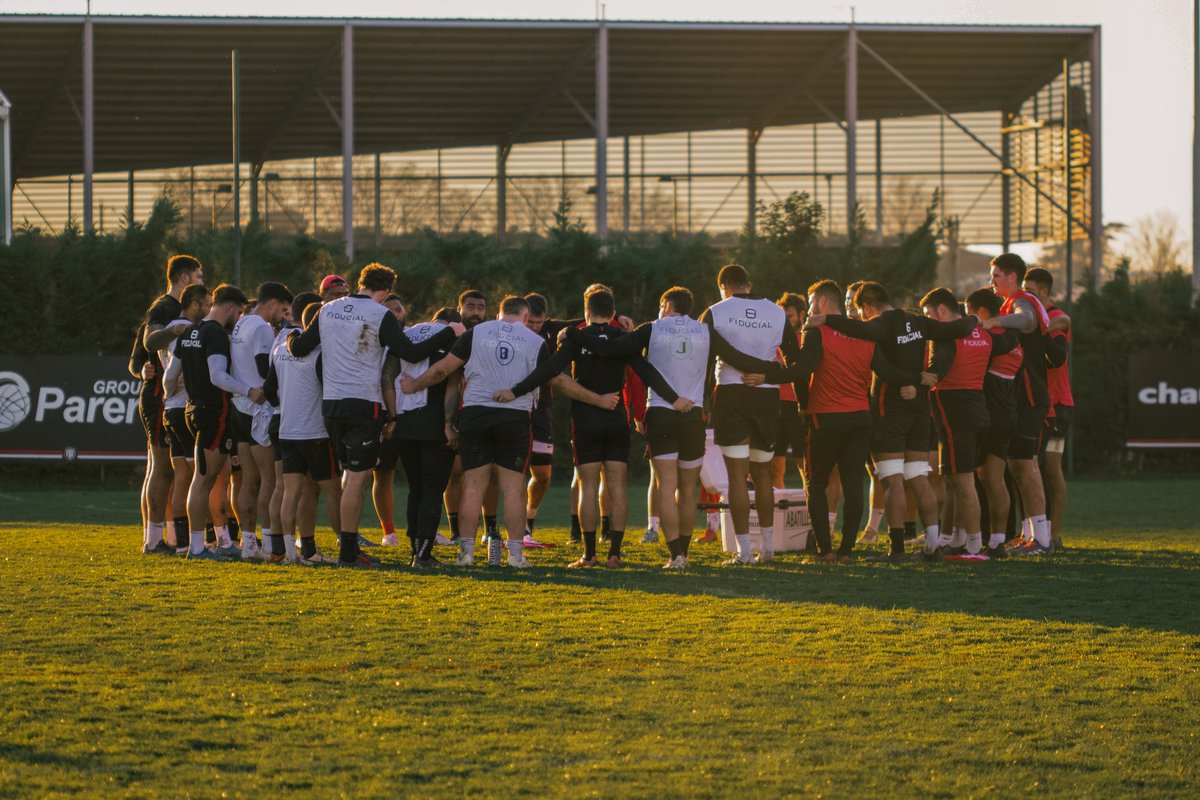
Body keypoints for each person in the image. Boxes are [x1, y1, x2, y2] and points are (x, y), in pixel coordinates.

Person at [404, 294, 619, 568]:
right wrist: (597, 399)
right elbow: (558, 380)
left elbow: (443, 370)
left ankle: (466, 554)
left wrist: (414, 385)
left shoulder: (476, 333)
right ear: (526, 318)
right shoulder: (534, 341)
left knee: (472, 486)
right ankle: (516, 555)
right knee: (514, 488)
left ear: (498, 314)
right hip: (514, 417)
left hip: (475, 414)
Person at [565, 286, 760, 569]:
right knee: (689, 489)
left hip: (661, 414)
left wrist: (571, 333)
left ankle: (675, 556)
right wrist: (768, 370)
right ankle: (685, 551)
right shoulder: (705, 331)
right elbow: (735, 357)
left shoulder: (652, 328)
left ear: (666, 305)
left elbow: (608, 348)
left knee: (666, 488)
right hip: (693, 414)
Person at [288, 263, 465, 568]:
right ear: (384, 291)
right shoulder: (379, 313)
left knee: (346, 477)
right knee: (357, 479)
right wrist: (449, 332)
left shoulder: (328, 309)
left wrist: (291, 338)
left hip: (331, 405)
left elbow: (302, 347)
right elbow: (409, 352)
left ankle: (344, 547)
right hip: (363, 405)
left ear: (360, 282)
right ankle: (349, 552)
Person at [807, 281, 976, 560]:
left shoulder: (881, 324)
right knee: (918, 478)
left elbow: (861, 331)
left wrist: (825, 318)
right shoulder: (919, 321)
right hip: (920, 411)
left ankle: (897, 548)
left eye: (860, 311)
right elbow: (956, 329)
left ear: (867, 307)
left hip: (889, 412)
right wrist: (975, 318)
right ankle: (933, 545)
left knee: (892, 481)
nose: (860, 317)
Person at [521, 286, 685, 568]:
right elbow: (646, 371)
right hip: (616, 414)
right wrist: (674, 397)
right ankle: (615, 555)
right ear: (612, 313)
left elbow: (548, 371)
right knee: (617, 487)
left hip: (586, 418)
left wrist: (515, 390)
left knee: (588, 486)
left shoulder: (575, 338)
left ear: (586, 312)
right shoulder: (623, 338)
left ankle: (588, 554)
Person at [769, 280, 919, 561]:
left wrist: (767, 375)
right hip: (860, 418)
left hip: (825, 418)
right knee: (853, 485)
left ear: (823, 303)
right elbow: (887, 372)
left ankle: (824, 550)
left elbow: (804, 368)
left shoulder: (818, 331)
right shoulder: (865, 334)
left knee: (815, 484)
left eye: (812, 302)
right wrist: (918, 379)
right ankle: (846, 550)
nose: (810, 308)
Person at [698, 264, 808, 566]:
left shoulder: (715, 311)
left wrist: (701, 401)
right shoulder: (775, 312)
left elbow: (705, 360)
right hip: (768, 395)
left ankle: (744, 551)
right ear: (749, 284)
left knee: (736, 475)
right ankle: (768, 547)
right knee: (763, 473)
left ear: (724, 286)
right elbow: (794, 361)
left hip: (732, 393)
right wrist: (776, 379)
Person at [165, 284, 262, 561]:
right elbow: (218, 376)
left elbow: (169, 377)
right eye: (239, 312)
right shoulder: (216, 334)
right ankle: (197, 548)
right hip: (213, 413)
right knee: (204, 480)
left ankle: (207, 543)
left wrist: (173, 395)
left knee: (205, 478)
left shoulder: (190, 332)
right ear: (230, 307)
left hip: (191, 409)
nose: (239, 319)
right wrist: (249, 390)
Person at [921, 287, 1018, 558]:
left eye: (929, 315)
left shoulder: (947, 336)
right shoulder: (983, 334)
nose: (929, 321)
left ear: (941, 310)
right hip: (979, 410)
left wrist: (921, 379)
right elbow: (1008, 342)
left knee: (963, 481)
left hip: (955, 411)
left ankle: (974, 546)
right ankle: (960, 538)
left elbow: (938, 367)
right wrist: (1007, 323)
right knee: (958, 479)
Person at [131, 254, 204, 555]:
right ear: (185, 278)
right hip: (161, 396)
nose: (202, 282)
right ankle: (154, 540)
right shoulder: (166, 307)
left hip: (163, 393)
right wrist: (170, 335)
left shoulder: (169, 308)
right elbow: (148, 343)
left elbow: (134, 359)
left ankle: (158, 537)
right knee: (162, 470)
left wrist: (140, 369)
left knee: (160, 469)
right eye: (199, 276)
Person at [378, 307, 462, 566]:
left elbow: (387, 377)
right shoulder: (452, 336)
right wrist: (449, 424)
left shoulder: (407, 334)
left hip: (405, 421)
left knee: (416, 489)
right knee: (433, 490)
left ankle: (416, 549)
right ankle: (424, 554)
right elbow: (452, 382)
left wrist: (392, 418)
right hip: (434, 422)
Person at [264, 300, 341, 565]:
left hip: (287, 430)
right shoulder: (321, 351)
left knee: (290, 491)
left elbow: (269, 391)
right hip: (315, 432)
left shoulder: (279, 348)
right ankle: (348, 545)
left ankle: (289, 553)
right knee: (334, 492)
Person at [229, 282, 294, 560]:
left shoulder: (241, 324)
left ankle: (248, 543)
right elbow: (264, 369)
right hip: (259, 411)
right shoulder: (262, 328)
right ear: (271, 304)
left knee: (248, 481)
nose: (283, 315)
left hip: (239, 408)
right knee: (269, 479)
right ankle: (269, 543)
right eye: (282, 309)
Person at [965, 288, 1021, 560]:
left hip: (988, 413)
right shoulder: (1013, 339)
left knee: (965, 478)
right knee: (994, 478)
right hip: (1009, 413)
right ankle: (998, 541)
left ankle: (969, 540)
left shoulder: (985, 337)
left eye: (968, 313)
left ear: (981, 313)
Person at [159, 284, 212, 553]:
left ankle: (181, 543)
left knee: (182, 475)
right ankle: (200, 540)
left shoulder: (169, 329)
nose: (209, 309)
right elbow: (172, 374)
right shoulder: (188, 330)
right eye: (206, 303)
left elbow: (164, 367)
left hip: (170, 408)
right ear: (194, 304)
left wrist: (168, 396)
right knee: (198, 476)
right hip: (184, 406)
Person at [1023, 267, 1073, 548]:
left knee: (1050, 469)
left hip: (1057, 404)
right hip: (1044, 404)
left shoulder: (1054, 317)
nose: (1027, 296)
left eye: (1031, 291)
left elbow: (1064, 320)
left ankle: (1054, 534)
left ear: (1044, 291)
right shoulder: (1038, 317)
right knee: (1038, 468)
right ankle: (1039, 534)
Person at [772, 292, 808, 490]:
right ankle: (779, 514)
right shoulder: (773, 341)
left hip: (799, 406)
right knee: (774, 467)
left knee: (804, 463)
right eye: (782, 317)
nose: (784, 321)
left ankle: (809, 512)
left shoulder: (808, 339)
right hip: (776, 407)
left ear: (801, 315)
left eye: (789, 316)